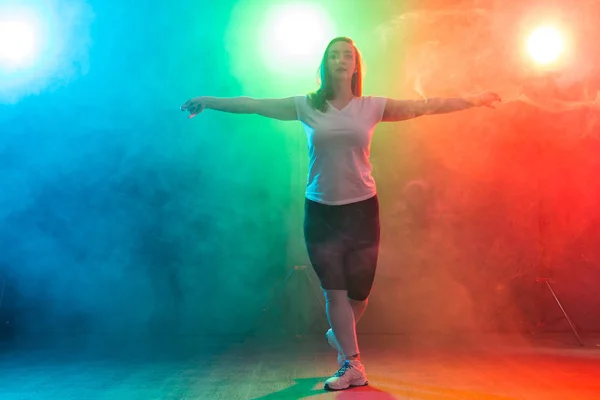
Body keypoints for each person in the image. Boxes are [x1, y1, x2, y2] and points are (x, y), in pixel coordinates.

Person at [181, 36, 501, 391]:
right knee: (334, 292)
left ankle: (340, 338)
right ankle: (353, 364)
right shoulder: (306, 106)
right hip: (320, 211)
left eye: (347, 55)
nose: (340, 60)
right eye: (334, 55)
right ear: (325, 65)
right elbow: (255, 104)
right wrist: (208, 101)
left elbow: (423, 105)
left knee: (358, 297)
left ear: (355, 65)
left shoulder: (371, 107)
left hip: (362, 210)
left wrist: (471, 100)